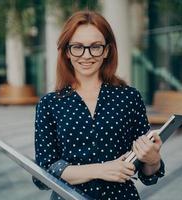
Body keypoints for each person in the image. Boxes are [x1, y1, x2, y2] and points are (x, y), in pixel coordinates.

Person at [33, 10, 165, 200]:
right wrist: (101, 170)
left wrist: (153, 160)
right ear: (67, 52)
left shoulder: (129, 98)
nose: (86, 55)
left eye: (95, 46)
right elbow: (43, 174)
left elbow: (148, 175)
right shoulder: (49, 104)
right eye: (77, 47)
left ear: (107, 50)